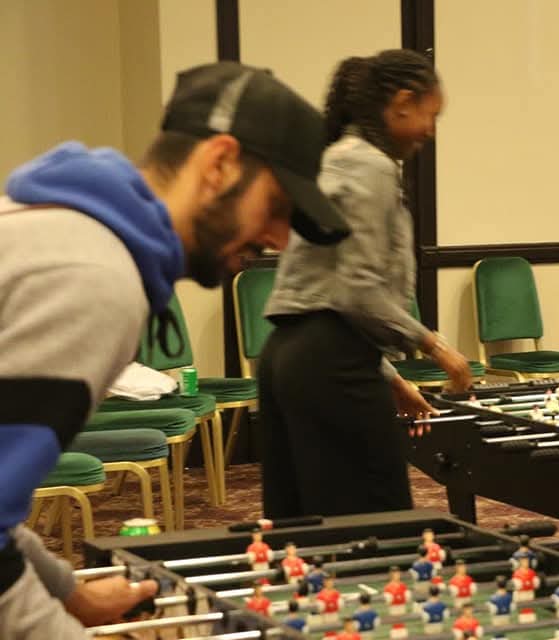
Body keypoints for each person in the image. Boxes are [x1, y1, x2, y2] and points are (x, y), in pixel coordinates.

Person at [0, 61, 347, 638]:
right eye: (277, 207)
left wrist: (70, 595)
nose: (279, 240)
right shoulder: (93, 277)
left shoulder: (54, 229)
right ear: (219, 164)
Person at [259, 48, 472, 519]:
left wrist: (389, 377)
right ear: (402, 102)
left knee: (302, 527)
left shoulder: (331, 158)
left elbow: (325, 290)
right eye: (430, 115)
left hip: (285, 359)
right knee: (376, 527)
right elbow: (355, 291)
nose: (430, 131)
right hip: (331, 365)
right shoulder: (371, 165)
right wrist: (435, 346)